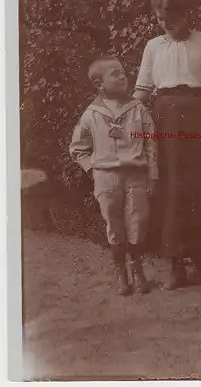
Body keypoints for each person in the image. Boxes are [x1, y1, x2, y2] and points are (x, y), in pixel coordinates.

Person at [133, 0, 201, 290]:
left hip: (197, 113)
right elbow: (142, 90)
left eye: (170, 19)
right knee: (171, 187)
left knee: (200, 185)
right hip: (164, 115)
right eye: (159, 19)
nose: (164, 25)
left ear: (185, 15)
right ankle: (174, 264)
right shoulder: (153, 46)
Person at [69, 57, 158, 296]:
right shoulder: (91, 114)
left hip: (136, 174)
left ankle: (137, 269)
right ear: (99, 84)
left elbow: (150, 144)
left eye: (122, 72)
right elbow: (77, 148)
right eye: (115, 74)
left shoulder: (137, 108)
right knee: (115, 225)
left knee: (137, 223)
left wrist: (152, 175)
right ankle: (121, 271)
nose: (122, 77)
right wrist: (93, 169)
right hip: (106, 177)